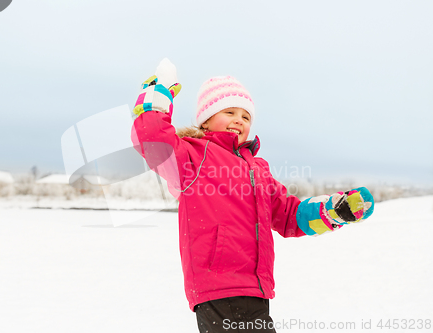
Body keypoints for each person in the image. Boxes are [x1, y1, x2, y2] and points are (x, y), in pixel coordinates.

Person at [131, 59, 375, 333]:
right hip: (217, 286)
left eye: (246, 116)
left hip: (256, 287)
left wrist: (333, 211)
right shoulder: (192, 157)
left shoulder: (258, 169)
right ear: (206, 119)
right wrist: (158, 95)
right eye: (229, 112)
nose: (239, 120)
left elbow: (288, 215)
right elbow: (152, 139)